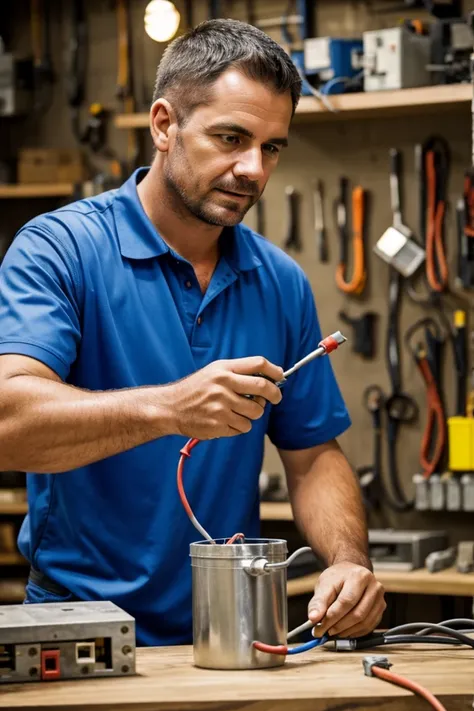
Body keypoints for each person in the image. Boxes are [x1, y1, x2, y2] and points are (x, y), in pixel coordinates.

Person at [0, 18, 385, 646]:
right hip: (80, 630)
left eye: (272, 147)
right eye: (230, 137)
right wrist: (171, 406)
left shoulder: (279, 280)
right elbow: (6, 425)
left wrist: (348, 560)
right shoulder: (59, 250)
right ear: (163, 125)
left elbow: (313, 453)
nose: (253, 169)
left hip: (229, 631)